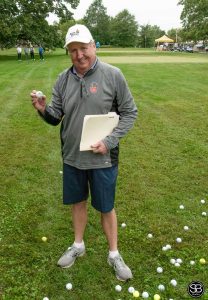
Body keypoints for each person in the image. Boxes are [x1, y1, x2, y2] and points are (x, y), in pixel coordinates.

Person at [30, 24, 137, 281]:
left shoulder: (113, 75)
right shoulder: (62, 79)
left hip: (103, 158)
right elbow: (56, 118)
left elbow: (130, 113)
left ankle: (114, 254)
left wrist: (109, 141)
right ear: (69, 52)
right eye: (73, 50)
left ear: (94, 45)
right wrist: (43, 109)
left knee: (106, 206)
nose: (79, 55)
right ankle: (78, 245)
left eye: (83, 48)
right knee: (78, 202)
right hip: (72, 158)